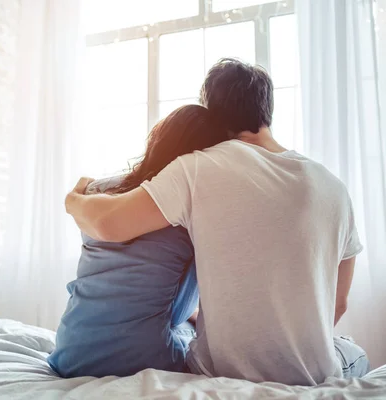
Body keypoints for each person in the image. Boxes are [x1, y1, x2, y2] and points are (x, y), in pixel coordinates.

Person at [64, 59, 370, 385]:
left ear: (212, 111)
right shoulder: (333, 186)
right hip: (314, 373)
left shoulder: (197, 168)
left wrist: (75, 199)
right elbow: (338, 304)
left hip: (221, 370)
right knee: (355, 354)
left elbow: (108, 224)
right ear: (268, 110)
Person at [48, 104, 228, 378]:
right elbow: (184, 308)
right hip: (145, 358)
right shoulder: (190, 207)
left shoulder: (99, 190)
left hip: (70, 352)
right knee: (189, 328)